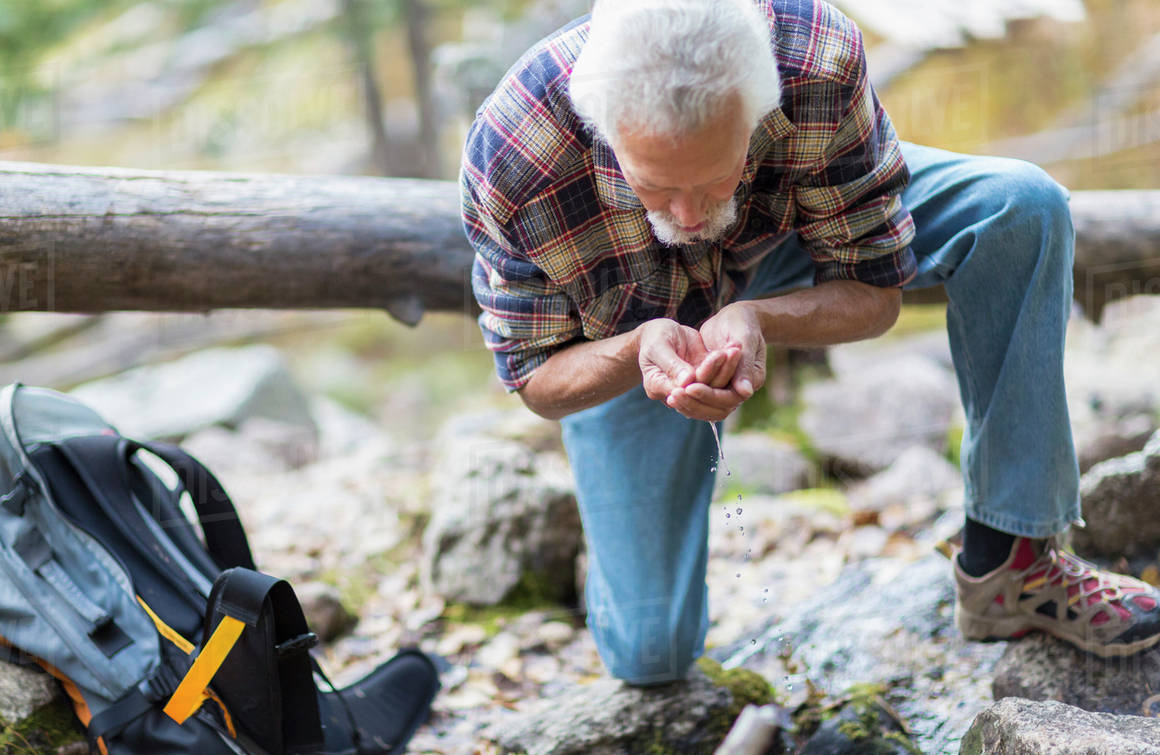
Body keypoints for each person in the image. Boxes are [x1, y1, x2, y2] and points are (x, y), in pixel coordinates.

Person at [459, 0, 1160, 685]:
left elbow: (875, 290)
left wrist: (764, 317)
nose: (689, 215)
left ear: (758, 107)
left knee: (1021, 208)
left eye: (713, 176)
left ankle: (1014, 558)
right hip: (626, 341)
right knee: (651, 657)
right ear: (605, 130)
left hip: (783, 249)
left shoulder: (813, 58)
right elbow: (534, 378)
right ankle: (617, 570)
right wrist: (640, 346)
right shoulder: (516, 150)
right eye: (655, 186)